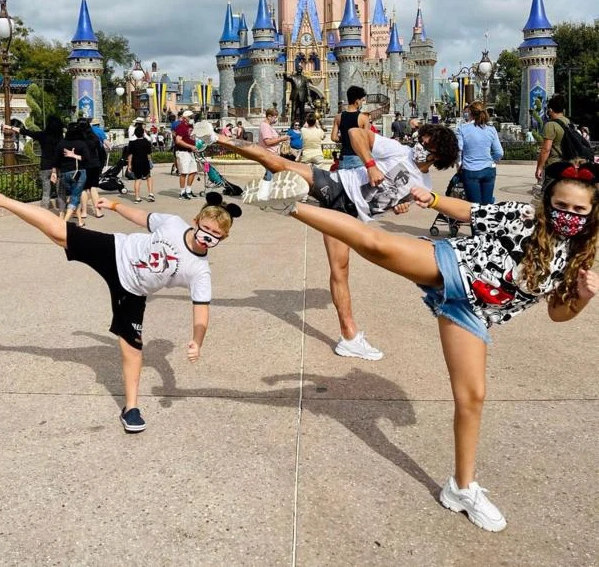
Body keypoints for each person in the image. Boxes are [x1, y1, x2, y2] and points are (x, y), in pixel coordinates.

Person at [241, 159, 599, 532]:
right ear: (548, 202)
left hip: (472, 313)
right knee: (376, 244)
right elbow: (472, 212)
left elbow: (558, 313)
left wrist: (583, 298)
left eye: (578, 209)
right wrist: (433, 200)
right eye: (561, 205)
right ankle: (288, 205)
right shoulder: (524, 217)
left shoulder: (578, 257)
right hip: (454, 267)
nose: (568, 214)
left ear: (591, 213)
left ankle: (461, 488)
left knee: (472, 397)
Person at [0, 180, 241, 433]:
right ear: (196, 221)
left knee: (132, 348)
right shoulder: (173, 224)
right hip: (116, 251)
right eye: (206, 229)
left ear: (224, 238)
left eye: (215, 235)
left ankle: (131, 408)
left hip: (133, 292)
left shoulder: (200, 271)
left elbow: (201, 309)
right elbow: (142, 217)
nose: (208, 236)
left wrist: (197, 341)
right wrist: (114, 205)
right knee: (60, 234)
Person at [199, 121, 459, 359]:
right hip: (337, 184)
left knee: (340, 269)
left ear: (438, 156)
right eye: (421, 140)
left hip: (348, 216)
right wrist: (370, 164)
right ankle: (215, 138)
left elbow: (395, 203)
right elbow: (355, 133)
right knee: (276, 162)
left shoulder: (424, 184)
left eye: (427, 146)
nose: (419, 146)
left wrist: (400, 207)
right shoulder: (399, 151)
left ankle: (349, 337)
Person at [5, 116, 66, 213]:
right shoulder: (61, 138)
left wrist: (10, 127)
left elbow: (26, 132)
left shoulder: (42, 135)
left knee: (46, 193)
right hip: (59, 167)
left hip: (45, 166)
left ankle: (44, 214)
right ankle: (62, 214)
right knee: (61, 193)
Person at [457, 100, 504, 205]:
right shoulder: (491, 129)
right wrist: (491, 160)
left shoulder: (462, 129)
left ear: (470, 113)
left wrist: (459, 165)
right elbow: (499, 152)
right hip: (488, 170)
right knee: (487, 206)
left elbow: (458, 150)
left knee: (475, 206)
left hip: (470, 170)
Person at [50, 122, 92, 226]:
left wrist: (54, 173)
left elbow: (55, 160)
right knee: (75, 197)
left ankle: (80, 221)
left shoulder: (61, 143)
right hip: (79, 174)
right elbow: (87, 159)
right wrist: (75, 156)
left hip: (64, 174)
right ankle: (63, 223)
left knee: (74, 196)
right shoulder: (82, 143)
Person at [331, 86, 369, 169]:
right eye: (362, 100)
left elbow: (333, 138)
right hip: (358, 156)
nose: (362, 103)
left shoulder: (338, 117)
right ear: (357, 101)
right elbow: (366, 139)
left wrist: (344, 137)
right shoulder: (363, 118)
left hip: (344, 156)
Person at [535, 94, 569, 181]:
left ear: (550, 110)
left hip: (553, 165)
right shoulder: (568, 122)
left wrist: (539, 167)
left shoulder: (550, 125)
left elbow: (546, 149)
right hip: (567, 163)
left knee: (549, 188)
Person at [173, 110, 198, 199]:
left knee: (193, 171)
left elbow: (191, 137)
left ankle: (188, 190)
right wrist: (190, 146)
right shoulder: (181, 127)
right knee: (184, 172)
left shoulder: (191, 126)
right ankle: (182, 192)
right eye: (190, 117)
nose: (192, 118)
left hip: (190, 152)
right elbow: (178, 140)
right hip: (182, 152)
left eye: (192, 117)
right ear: (185, 118)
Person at [127, 125, 154, 203]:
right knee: (148, 177)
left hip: (136, 163)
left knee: (137, 179)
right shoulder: (147, 142)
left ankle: (137, 197)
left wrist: (129, 165)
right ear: (143, 133)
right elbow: (148, 154)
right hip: (145, 162)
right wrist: (150, 162)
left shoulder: (132, 143)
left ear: (135, 134)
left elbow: (130, 155)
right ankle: (150, 194)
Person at [258, 107, 284, 182]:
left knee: (270, 175)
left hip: (271, 155)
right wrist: (281, 139)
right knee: (270, 177)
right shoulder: (265, 126)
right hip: (269, 155)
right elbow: (268, 142)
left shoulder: (267, 126)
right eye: (275, 117)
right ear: (269, 116)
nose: (276, 119)